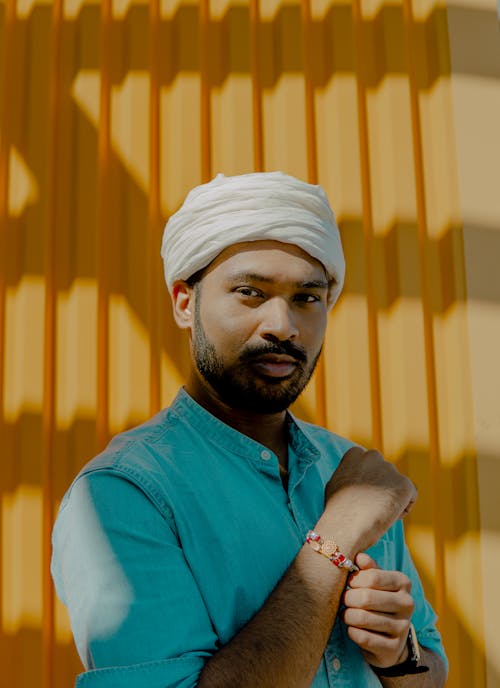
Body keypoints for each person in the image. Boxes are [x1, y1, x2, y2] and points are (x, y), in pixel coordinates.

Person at [51, 172, 448, 687]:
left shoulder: (348, 468)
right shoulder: (124, 494)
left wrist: (397, 654)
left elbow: (431, 669)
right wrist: (336, 535)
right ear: (184, 302)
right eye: (249, 292)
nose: (282, 324)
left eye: (307, 298)